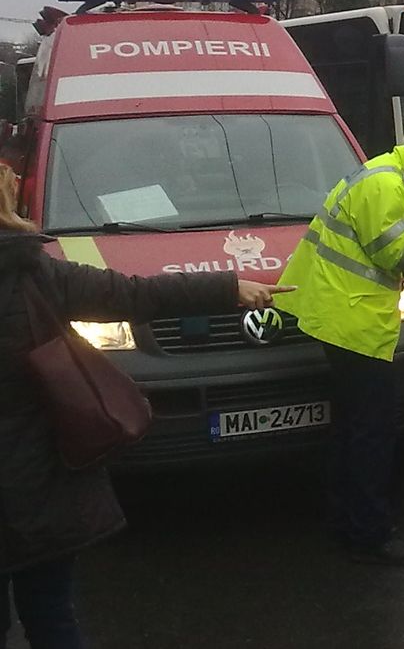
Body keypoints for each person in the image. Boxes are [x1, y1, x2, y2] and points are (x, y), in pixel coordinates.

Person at [0, 163, 288, 649]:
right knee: (51, 617)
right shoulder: (30, 273)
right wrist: (226, 286)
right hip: (39, 486)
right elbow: (133, 294)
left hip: (32, 484)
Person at [274, 113, 404, 567]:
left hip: (343, 317)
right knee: (372, 434)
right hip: (354, 322)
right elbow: (395, 251)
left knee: (352, 429)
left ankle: (346, 521)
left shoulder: (386, 177)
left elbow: (377, 249)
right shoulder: (386, 184)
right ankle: (369, 533)